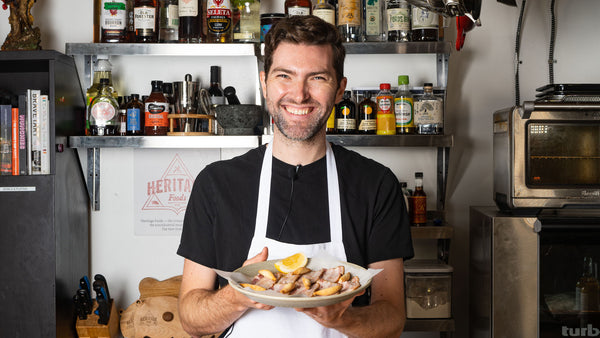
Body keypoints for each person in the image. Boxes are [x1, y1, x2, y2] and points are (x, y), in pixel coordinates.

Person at [177, 15, 414, 338]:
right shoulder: (216, 184)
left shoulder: (376, 185)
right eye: (284, 76)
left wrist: (342, 320)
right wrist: (237, 295)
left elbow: (392, 318)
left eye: (317, 77)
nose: (299, 94)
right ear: (264, 83)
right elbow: (191, 318)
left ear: (340, 89)